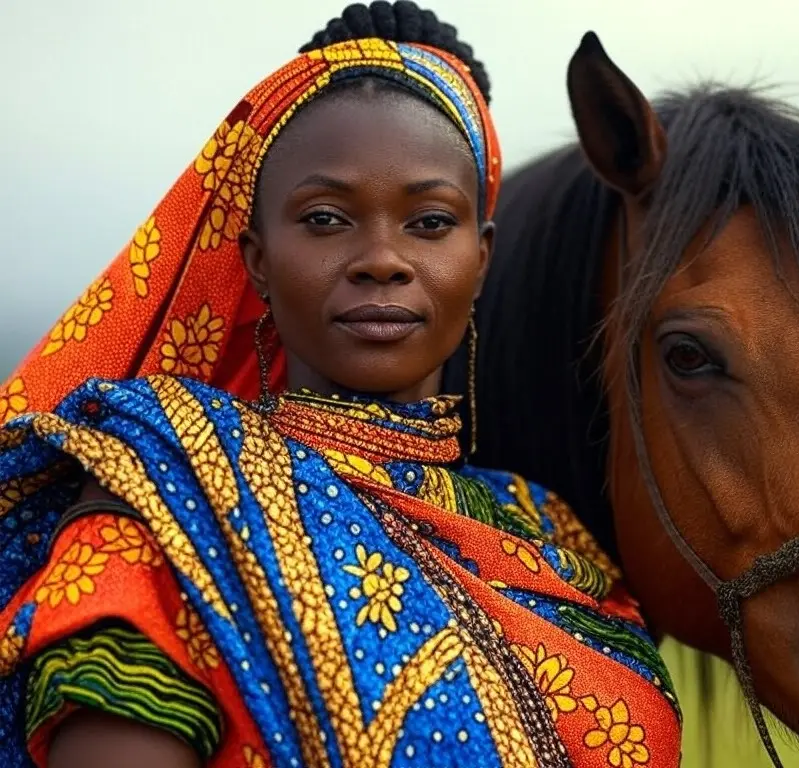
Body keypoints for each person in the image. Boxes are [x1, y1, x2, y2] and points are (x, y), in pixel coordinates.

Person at [0, 3, 681, 766]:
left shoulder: (554, 536)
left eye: (429, 222)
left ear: (482, 258)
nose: (381, 259)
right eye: (326, 218)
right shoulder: (166, 500)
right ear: (257, 259)